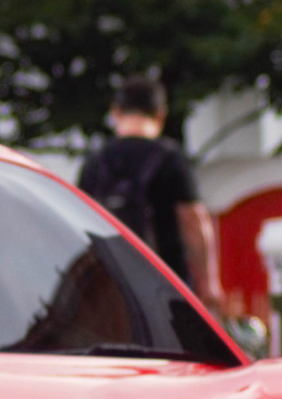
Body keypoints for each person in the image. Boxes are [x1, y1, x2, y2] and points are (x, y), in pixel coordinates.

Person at [78, 78, 221, 311]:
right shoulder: (170, 158)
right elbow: (193, 221)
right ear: (160, 114)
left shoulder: (94, 162)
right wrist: (209, 284)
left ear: (115, 112)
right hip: (166, 290)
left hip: (110, 292)